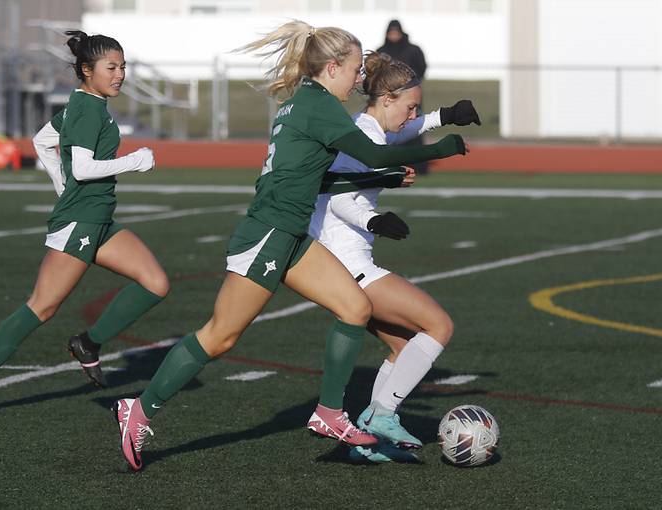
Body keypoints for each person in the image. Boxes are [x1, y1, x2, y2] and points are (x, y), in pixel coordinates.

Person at [111, 20, 469, 471]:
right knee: (219, 337)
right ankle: (138, 411)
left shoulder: (310, 103)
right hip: (267, 235)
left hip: (292, 235)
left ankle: (329, 412)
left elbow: (321, 178)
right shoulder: (319, 107)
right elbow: (376, 153)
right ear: (333, 67)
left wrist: (382, 179)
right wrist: (441, 149)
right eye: (357, 69)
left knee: (355, 309)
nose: (361, 78)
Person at [0, 31, 168, 419]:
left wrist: (60, 183)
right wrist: (133, 161)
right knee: (43, 306)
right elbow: (83, 168)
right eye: (111, 67)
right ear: (87, 70)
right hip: (80, 221)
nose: (120, 75)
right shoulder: (87, 108)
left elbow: (42, 140)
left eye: (123, 67)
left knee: (155, 283)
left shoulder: (87, 104)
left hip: (98, 218)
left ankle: (89, 343)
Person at [308, 51, 480, 463]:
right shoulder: (364, 136)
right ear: (386, 99)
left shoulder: (369, 128)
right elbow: (339, 197)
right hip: (347, 263)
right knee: (438, 325)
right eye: (410, 106)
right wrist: (374, 221)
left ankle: (369, 438)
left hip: (343, 260)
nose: (412, 115)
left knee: (405, 347)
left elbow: (403, 133)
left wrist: (445, 115)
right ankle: (382, 414)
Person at [377, 19, 433, 174]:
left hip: (410, 97)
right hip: (390, 99)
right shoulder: (382, 51)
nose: (394, 36)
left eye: (396, 32)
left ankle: (419, 166)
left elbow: (421, 68)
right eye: (391, 33)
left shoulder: (413, 50)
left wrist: (408, 85)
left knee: (415, 129)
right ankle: (391, 164)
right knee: (390, 132)